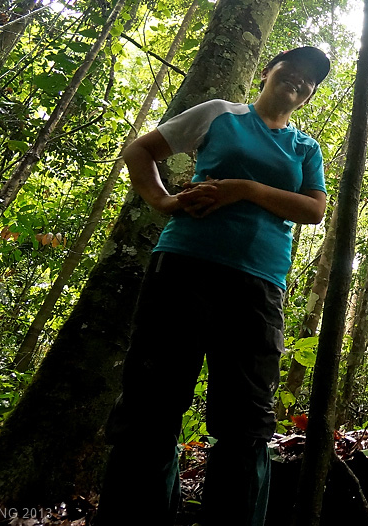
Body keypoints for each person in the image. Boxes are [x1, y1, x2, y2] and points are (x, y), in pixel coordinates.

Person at [94, 46, 331, 526]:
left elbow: (314, 209)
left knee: (247, 419)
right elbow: (139, 150)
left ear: (309, 95)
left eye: (310, 79)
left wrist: (244, 189)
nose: (299, 80)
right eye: (291, 69)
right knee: (151, 403)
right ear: (266, 72)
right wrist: (163, 202)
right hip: (185, 267)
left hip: (260, 283)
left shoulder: (305, 148)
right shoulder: (221, 114)